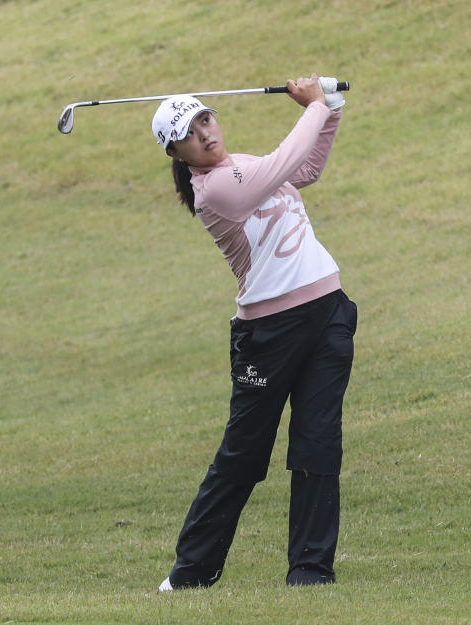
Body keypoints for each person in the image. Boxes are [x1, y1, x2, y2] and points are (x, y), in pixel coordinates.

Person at [152, 74, 357, 590]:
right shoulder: (215, 190)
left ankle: (310, 572)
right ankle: (190, 574)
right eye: (188, 133)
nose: (203, 133)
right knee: (244, 456)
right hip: (269, 334)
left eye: (204, 118)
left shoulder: (240, 164)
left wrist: (328, 110)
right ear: (176, 152)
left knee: (318, 442)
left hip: (327, 311)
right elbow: (283, 164)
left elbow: (303, 168)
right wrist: (311, 108)